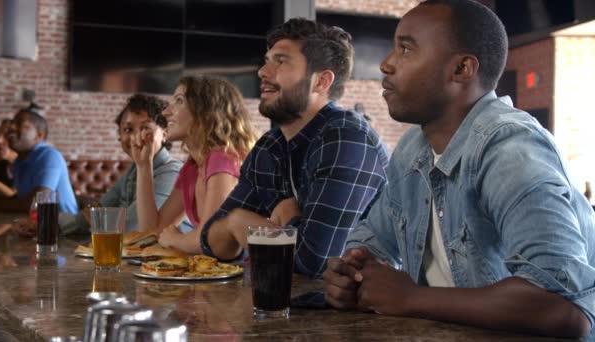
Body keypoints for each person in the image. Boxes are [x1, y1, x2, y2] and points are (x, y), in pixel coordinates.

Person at [323, 0, 594, 338]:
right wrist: (350, 274)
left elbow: (566, 310)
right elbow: (371, 243)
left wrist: (412, 298)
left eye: (406, 49)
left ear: (462, 69)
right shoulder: (412, 149)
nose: (386, 64)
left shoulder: (509, 149)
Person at [199, 18, 389, 278]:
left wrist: (252, 223)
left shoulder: (347, 139)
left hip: (365, 314)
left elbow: (315, 264)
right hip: (290, 307)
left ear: (321, 82)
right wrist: (237, 223)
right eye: (267, 60)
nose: (263, 72)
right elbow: (212, 243)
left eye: (281, 61)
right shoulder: (270, 146)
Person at [131, 75, 257, 252]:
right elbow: (152, 232)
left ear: (206, 111)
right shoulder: (192, 167)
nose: (166, 112)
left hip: (244, 274)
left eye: (179, 101)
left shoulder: (222, 158)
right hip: (212, 273)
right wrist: (144, 165)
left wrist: (175, 239)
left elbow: (209, 240)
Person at [60, 94, 190, 235]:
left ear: (165, 134)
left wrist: (96, 218)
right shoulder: (133, 170)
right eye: (128, 130)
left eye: (145, 128)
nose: (136, 137)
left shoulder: (172, 173)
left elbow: (132, 228)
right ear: (119, 137)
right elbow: (97, 210)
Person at [3, 108, 78, 214]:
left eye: (20, 123)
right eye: (12, 123)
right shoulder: (18, 162)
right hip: (37, 226)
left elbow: (39, 203)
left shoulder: (49, 155)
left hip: (67, 227)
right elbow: (22, 198)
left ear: (38, 135)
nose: (11, 127)